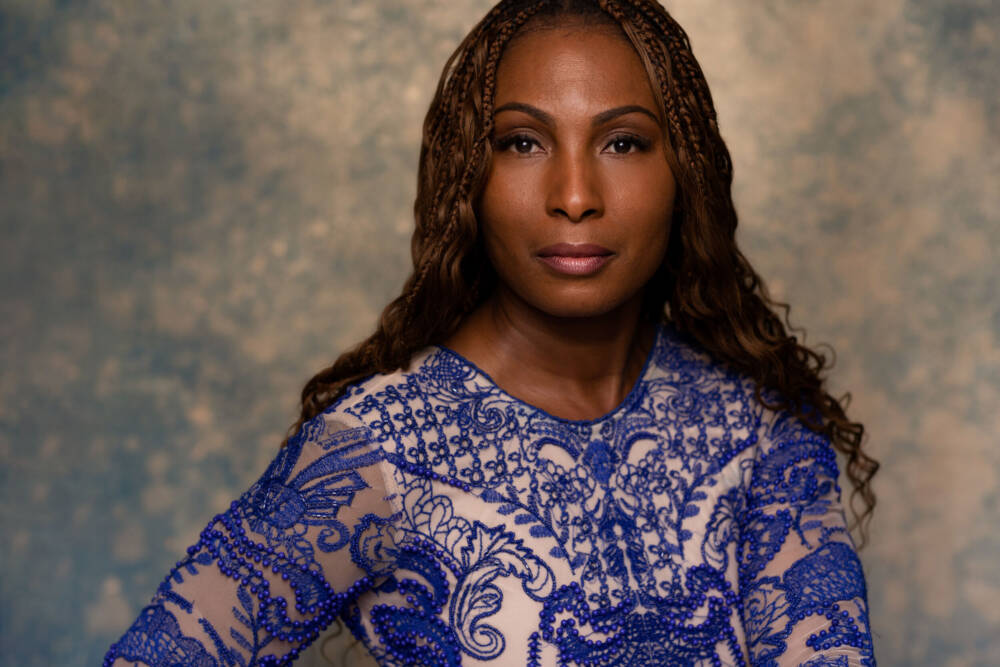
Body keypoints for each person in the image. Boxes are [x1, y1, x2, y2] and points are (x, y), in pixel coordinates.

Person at [104, 0, 879, 665]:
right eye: (521, 142)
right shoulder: (372, 452)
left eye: (622, 142)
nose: (574, 195)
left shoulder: (761, 429)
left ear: (687, 171)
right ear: (464, 178)